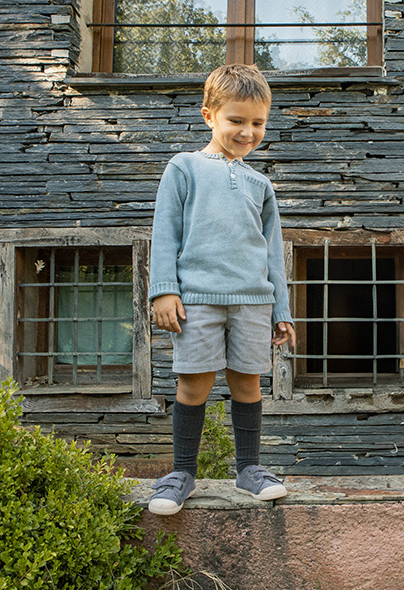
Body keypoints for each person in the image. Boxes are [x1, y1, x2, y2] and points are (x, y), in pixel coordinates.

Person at [147, 64, 296, 516]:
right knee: (193, 385)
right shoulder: (184, 167)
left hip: (253, 302)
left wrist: (281, 310)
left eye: (258, 123)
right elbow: (165, 232)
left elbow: (272, 253)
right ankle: (182, 473)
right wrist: (164, 290)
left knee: (247, 384)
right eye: (237, 120)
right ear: (209, 115)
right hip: (196, 300)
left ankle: (249, 469)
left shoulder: (260, 184)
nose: (248, 132)